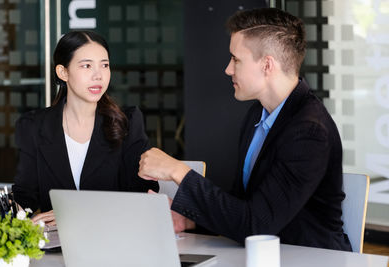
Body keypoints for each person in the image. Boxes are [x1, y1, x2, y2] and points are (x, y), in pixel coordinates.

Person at [138, 8, 352, 251]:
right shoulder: (258, 114)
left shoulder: (309, 132)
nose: (228, 69)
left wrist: (178, 171)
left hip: (314, 259)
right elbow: (243, 207)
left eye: (236, 59)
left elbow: (254, 225)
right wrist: (188, 219)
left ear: (267, 65)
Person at [0, 31, 158, 224]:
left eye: (105, 65)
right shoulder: (34, 126)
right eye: (87, 66)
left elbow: (144, 193)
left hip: (114, 239)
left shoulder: (127, 122)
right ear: (63, 72)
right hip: (55, 246)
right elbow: (24, 197)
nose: (98, 75)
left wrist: (75, 214)